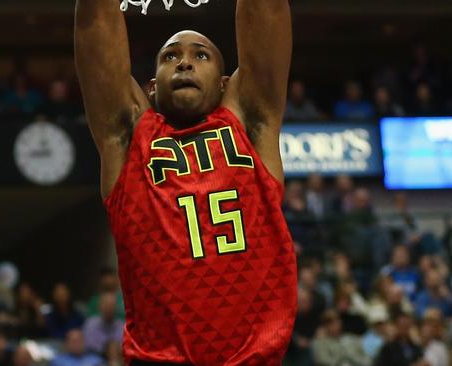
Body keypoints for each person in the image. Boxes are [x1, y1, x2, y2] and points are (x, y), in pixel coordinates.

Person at [75, 0, 298, 365]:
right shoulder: (129, 137)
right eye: (170, 57)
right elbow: (93, 22)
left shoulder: (250, 123)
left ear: (226, 85)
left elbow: (268, 10)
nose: (184, 62)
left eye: (202, 56)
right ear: (151, 88)